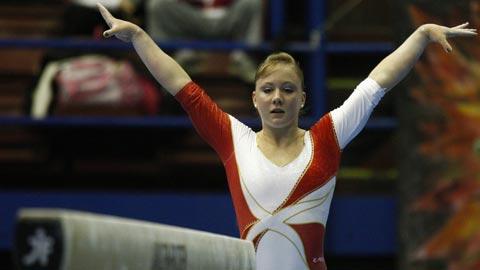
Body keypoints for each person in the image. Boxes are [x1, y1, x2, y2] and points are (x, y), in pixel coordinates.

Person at [97, 3, 476, 269]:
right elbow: (181, 85)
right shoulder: (235, 140)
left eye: (288, 89)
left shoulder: (325, 138)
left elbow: (376, 83)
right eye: (268, 89)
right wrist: (139, 37)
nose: (277, 97)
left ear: (302, 99)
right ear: (255, 98)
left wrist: (422, 34)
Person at [144, 0, 262, 83]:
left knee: (253, 2)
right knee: (157, 4)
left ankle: (244, 58)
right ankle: (179, 57)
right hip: (191, 14)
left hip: (229, 13)